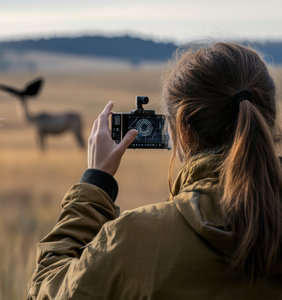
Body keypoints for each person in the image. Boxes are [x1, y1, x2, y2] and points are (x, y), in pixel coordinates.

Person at [26, 42, 282, 299]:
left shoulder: (134, 239)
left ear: (181, 130)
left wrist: (94, 184)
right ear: (268, 119)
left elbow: (47, 291)